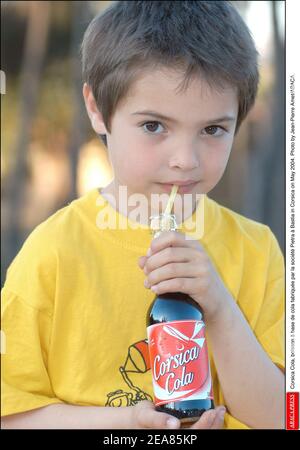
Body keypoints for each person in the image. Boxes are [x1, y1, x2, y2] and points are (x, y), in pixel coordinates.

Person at [1, 1, 284, 429]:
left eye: (212, 130)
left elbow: (286, 416)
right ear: (98, 109)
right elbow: (12, 415)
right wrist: (125, 424)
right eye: (154, 125)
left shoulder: (257, 250)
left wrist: (222, 308)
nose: (184, 160)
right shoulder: (53, 252)